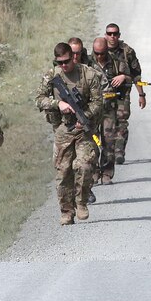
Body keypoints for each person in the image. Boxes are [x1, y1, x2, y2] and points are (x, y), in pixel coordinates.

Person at [35, 42, 102, 225]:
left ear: (73, 57)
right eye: (59, 62)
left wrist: (85, 116)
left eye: (66, 61)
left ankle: (81, 202)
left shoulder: (88, 74)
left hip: (83, 130)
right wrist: (59, 104)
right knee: (63, 172)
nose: (63, 66)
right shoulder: (52, 76)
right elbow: (39, 100)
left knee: (85, 165)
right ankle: (66, 211)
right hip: (63, 130)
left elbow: (98, 102)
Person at [84, 37, 131, 184]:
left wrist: (123, 77)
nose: (99, 56)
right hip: (92, 109)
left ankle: (107, 173)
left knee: (109, 142)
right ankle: (94, 173)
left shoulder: (116, 61)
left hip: (109, 109)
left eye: (102, 53)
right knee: (92, 143)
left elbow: (131, 78)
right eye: (96, 53)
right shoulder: (87, 63)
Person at [104, 23, 144, 164]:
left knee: (121, 120)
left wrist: (141, 95)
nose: (112, 36)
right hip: (105, 93)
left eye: (115, 34)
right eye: (109, 33)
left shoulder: (127, 51)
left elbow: (136, 75)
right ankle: (108, 153)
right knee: (107, 123)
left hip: (122, 93)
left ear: (119, 35)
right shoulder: (100, 50)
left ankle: (119, 152)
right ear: (105, 35)